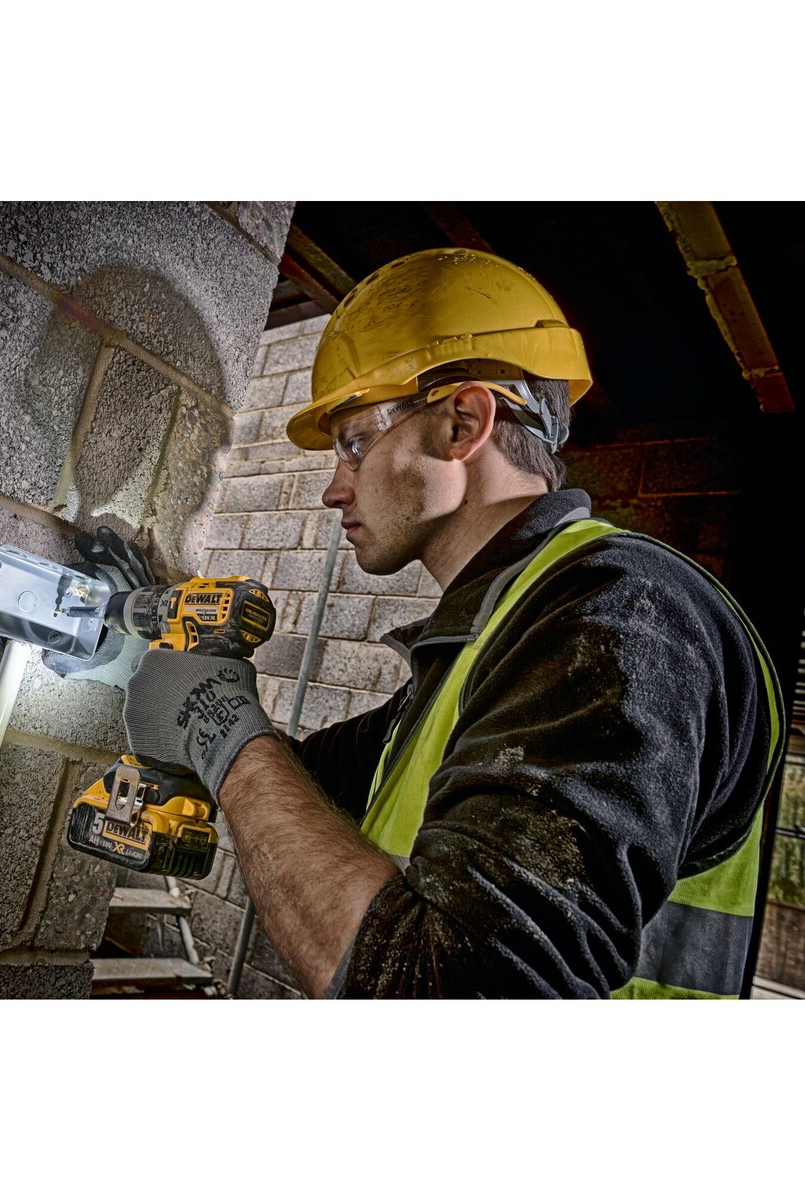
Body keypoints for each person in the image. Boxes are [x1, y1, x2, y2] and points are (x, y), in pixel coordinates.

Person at [121, 247, 786, 999]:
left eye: (355, 443)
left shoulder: (622, 616)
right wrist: (174, 708)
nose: (334, 490)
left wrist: (219, 729)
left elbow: (453, 989)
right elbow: (303, 787)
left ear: (462, 424)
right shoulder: (492, 641)